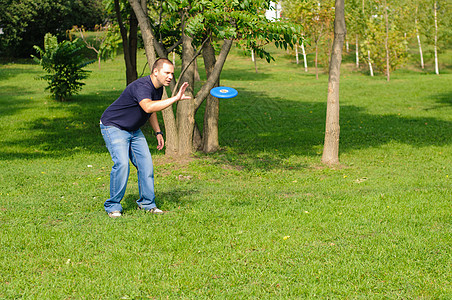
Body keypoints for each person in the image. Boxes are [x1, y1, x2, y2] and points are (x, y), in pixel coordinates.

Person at [100, 58, 190, 218]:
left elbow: (150, 110)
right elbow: (148, 106)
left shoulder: (158, 88)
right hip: (113, 126)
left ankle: (147, 204)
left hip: (133, 129)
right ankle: (113, 206)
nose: (170, 76)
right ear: (155, 72)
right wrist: (175, 99)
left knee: (146, 165)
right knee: (122, 164)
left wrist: (158, 132)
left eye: (172, 73)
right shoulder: (142, 86)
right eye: (167, 73)